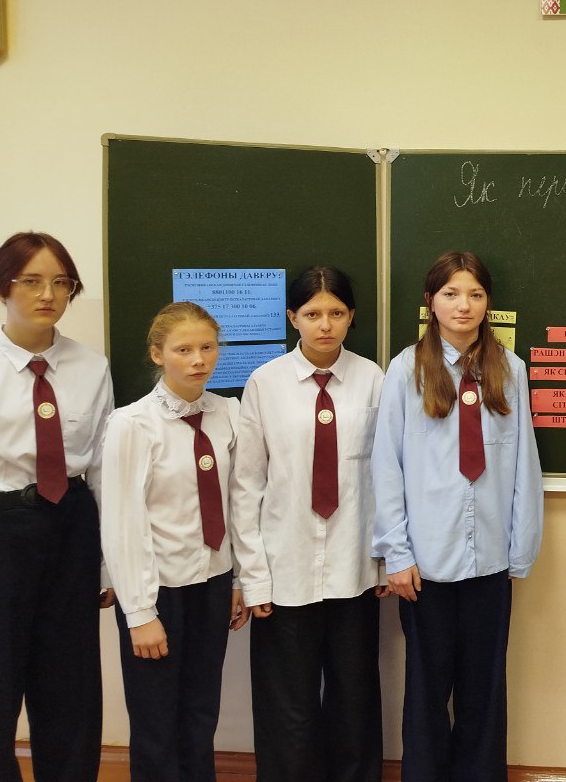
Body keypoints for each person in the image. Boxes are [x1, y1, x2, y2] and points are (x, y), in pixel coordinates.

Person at [0, 231, 113, 782]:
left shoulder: (92, 366)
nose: (48, 294)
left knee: (71, 687)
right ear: (0, 288)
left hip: (72, 528)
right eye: (31, 281)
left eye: (61, 283)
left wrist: (108, 563)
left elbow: (102, 473)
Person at [372, 251, 544, 782]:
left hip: (490, 559)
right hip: (425, 564)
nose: (463, 305)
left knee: (484, 688)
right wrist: (396, 554)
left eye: (475, 294)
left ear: (488, 302)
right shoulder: (405, 369)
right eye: (450, 294)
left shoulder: (510, 369)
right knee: (426, 688)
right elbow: (386, 466)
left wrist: (519, 551)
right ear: (431, 301)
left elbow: (525, 464)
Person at [233, 266, 388, 782]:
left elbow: (386, 475)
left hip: (354, 566)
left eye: (337, 313)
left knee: (354, 701)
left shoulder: (373, 379)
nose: (325, 325)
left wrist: (385, 558)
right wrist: (251, 576)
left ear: (351, 317)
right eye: (313, 313)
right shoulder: (265, 382)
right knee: (288, 709)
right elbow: (246, 485)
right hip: (285, 568)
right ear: (291, 317)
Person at [100, 302, 249, 782]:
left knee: (201, 711)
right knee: (155, 719)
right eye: (183, 350)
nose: (198, 359)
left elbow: (238, 502)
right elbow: (122, 523)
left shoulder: (229, 413)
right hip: (158, 589)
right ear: (157, 354)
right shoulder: (133, 424)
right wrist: (139, 613)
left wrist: (237, 580)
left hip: (212, 581)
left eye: (207, 347)